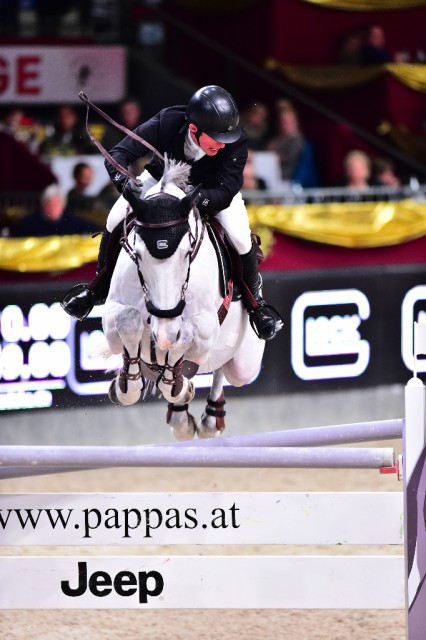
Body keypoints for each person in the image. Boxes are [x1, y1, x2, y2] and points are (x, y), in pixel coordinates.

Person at [61, 85, 282, 341]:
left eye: (226, 140)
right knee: (116, 215)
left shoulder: (234, 141)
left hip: (211, 191)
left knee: (241, 236)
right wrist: (124, 182)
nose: (222, 146)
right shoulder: (169, 120)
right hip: (161, 179)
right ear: (193, 129)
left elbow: (229, 188)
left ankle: (257, 305)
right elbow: (119, 153)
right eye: (216, 139)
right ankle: (96, 289)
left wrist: (198, 199)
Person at [12, 184, 94, 237]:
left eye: (56, 204)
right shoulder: (29, 224)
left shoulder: (73, 222)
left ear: (63, 205)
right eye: (49, 204)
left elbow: (93, 231)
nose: (53, 208)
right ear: (43, 205)